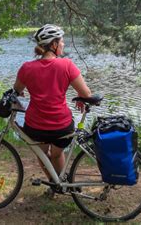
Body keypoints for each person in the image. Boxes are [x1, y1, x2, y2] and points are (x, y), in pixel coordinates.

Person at [13, 24, 92, 183]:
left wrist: (22, 91)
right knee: (57, 153)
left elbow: (17, 89)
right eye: (61, 41)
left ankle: (54, 183)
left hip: (36, 127)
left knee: (42, 154)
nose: (63, 44)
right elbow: (87, 94)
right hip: (61, 126)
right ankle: (62, 182)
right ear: (53, 45)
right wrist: (80, 95)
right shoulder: (67, 65)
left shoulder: (27, 68)